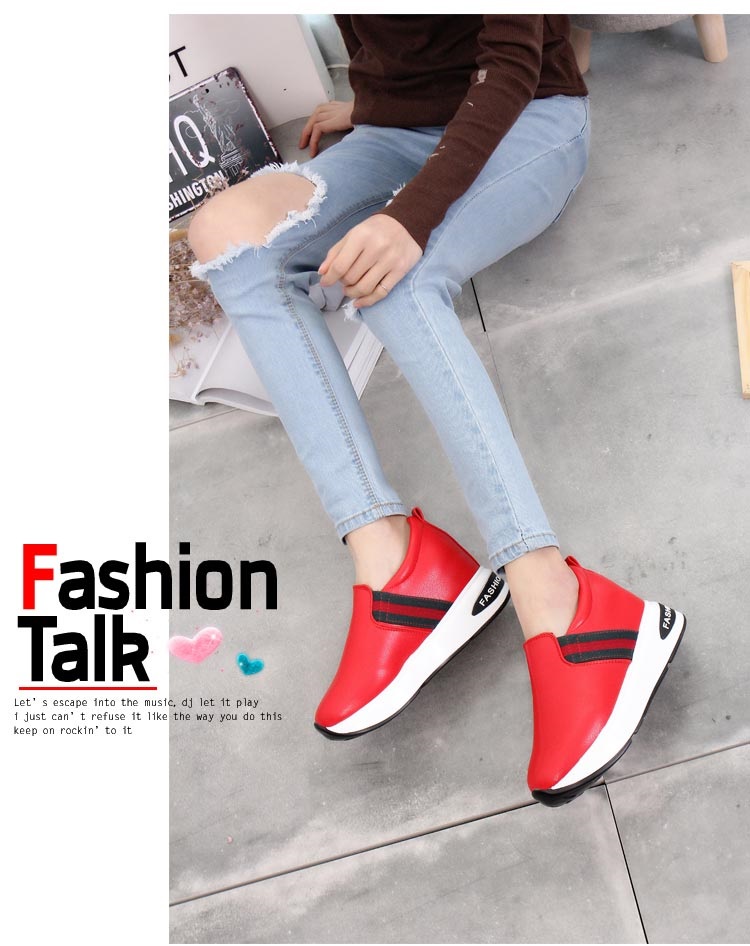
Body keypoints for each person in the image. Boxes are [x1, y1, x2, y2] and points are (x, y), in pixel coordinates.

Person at [187, 14, 686, 806]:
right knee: (223, 232)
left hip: (526, 119)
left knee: (397, 282)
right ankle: (394, 562)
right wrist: (377, 100)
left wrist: (408, 218)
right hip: (394, 132)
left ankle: (565, 603)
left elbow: (514, 58)